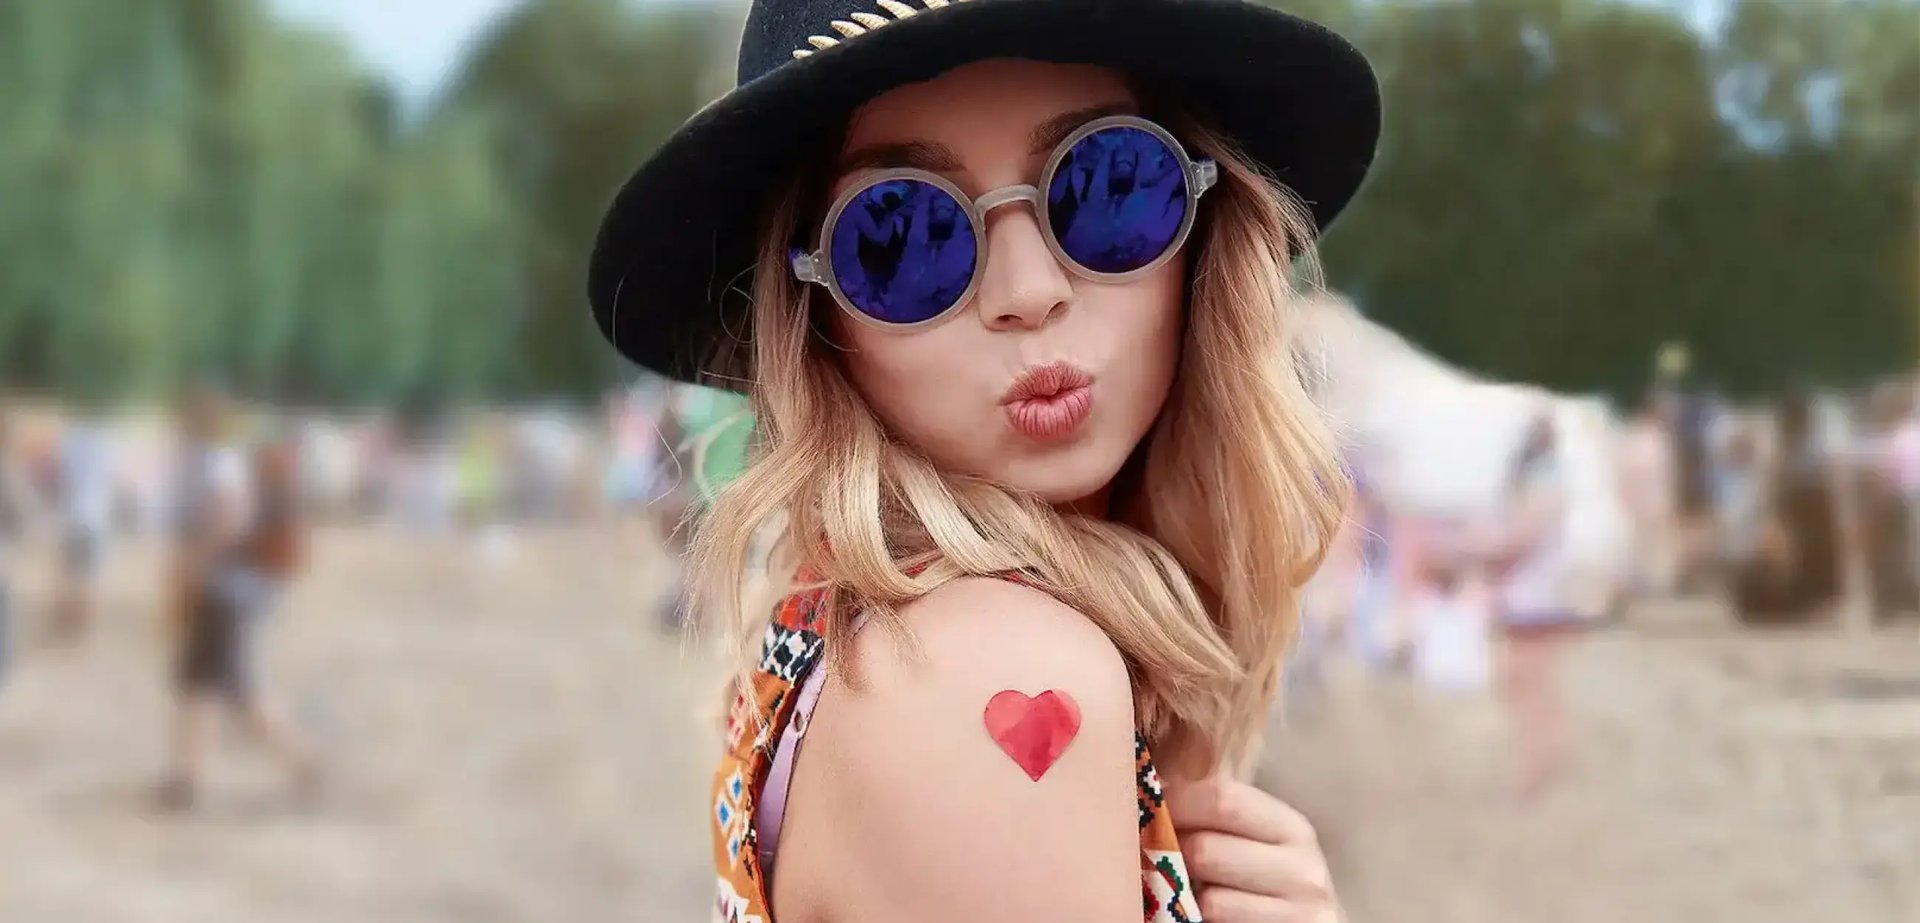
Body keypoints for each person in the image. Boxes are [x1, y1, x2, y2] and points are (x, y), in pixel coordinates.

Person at [584, 1, 1379, 918]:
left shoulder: (843, 630)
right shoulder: (990, 672)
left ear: (1205, 227)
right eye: (904, 237)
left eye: (1109, 188)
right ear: (815, 318)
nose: (1028, 291)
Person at [159, 387, 317, 811]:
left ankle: (302, 759)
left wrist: (195, 562)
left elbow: (230, 518)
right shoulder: (214, 460)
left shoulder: (217, 464)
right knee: (196, 683)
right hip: (223, 589)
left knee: (239, 691)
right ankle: (187, 780)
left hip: (227, 591)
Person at [1491, 413, 1581, 804]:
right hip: (1541, 594)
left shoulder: (1543, 477)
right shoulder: (1550, 475)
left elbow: (1526, 534)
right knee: (1534, 684)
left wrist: (1483, 554)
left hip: (1535, 598)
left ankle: (1536, 771)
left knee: (1527, 685)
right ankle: (1545, 764)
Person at [49, 410, 116, 642]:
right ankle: (81, 626)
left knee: (69, 571)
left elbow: (59, 478)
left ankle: (66, 622)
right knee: (89, 574)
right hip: (95, 517)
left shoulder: (69, 441)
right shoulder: (107, 442)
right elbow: (111, 480)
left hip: (71, 516)